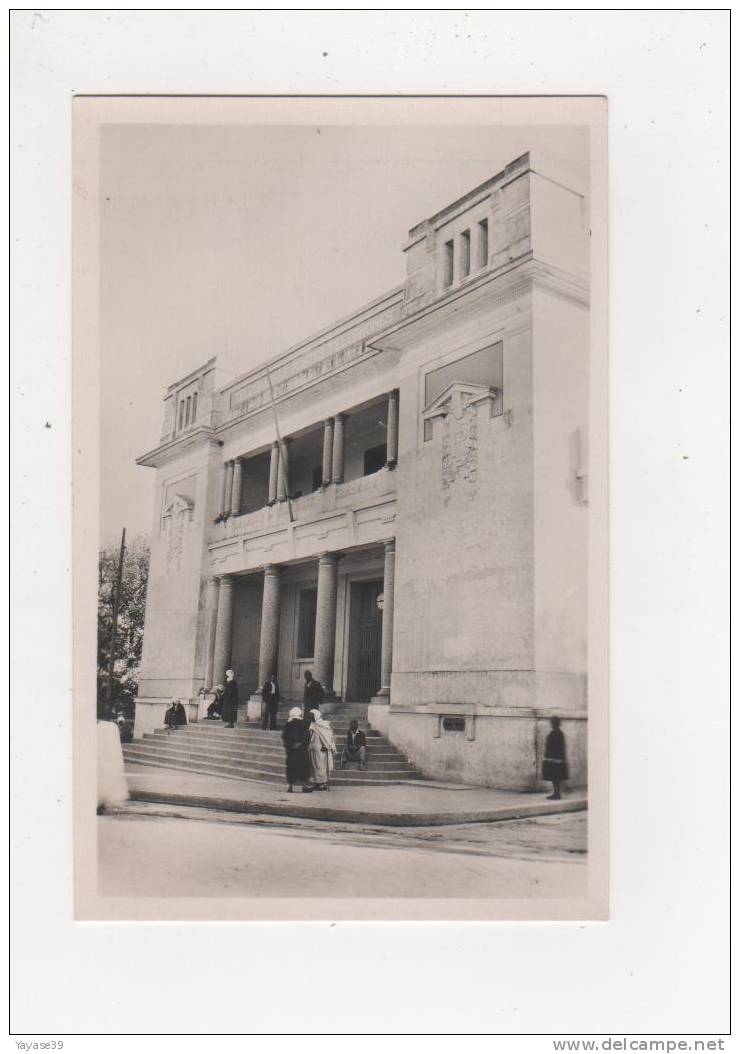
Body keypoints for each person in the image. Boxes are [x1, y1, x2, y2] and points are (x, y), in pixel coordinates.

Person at [303, 709, 336, 792]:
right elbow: (310, 734)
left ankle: (322, 784)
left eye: (312, 716)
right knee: (314, 767)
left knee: (321, 766)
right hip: (313, 749)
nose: (311, 718)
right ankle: (316, 783)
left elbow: (329, 737)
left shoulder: (324, 725)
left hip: (321, 749)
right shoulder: (313, 724)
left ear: (316, 715)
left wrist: (327, 746)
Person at [281, 706, 310, 792]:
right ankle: (304, 786)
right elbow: (307, 737)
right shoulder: (304, 723)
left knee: (291, 768)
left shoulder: (288, 724)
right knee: (303, 767)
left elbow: (285, 737)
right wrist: (301, 743)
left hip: (291, 751)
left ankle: (290, 786)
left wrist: (290, 745)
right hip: (302, 750)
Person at [542, 716, 568, 800]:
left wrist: (552, 757)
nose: (551, 724)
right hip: (555, 759)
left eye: (552, 722)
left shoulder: (557, 733)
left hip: (555, 759)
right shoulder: (557, 732)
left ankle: (557, 794)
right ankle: (556, 793)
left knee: (556, 777)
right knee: (554, 777)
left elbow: (556, 747)